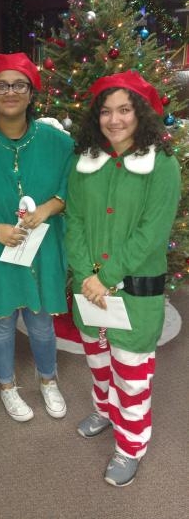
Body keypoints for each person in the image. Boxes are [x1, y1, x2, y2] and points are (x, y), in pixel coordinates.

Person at [65, 70, 181, 487]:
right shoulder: (85, 163)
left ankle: (130, 444)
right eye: (107, 111)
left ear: (141, 114)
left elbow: (152, 235)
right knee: (98, 360)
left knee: (131, 372)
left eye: (125, 110)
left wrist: (106, 277)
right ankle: (103, 410)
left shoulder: (162, 166)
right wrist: (84, 274)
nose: (114, 120)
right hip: (90, 291)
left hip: (134, 295)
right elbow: (73, 221)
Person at [0, 53, 74, 422]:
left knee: (41, 320)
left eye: (19, 85)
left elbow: (72, 185)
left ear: (31, 94)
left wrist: (49, 207)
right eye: (1, 86)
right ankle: (6, 385)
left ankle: (47, 380)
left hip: (42, 247)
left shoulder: (58, 142)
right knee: (2, 320)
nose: (10, 92)